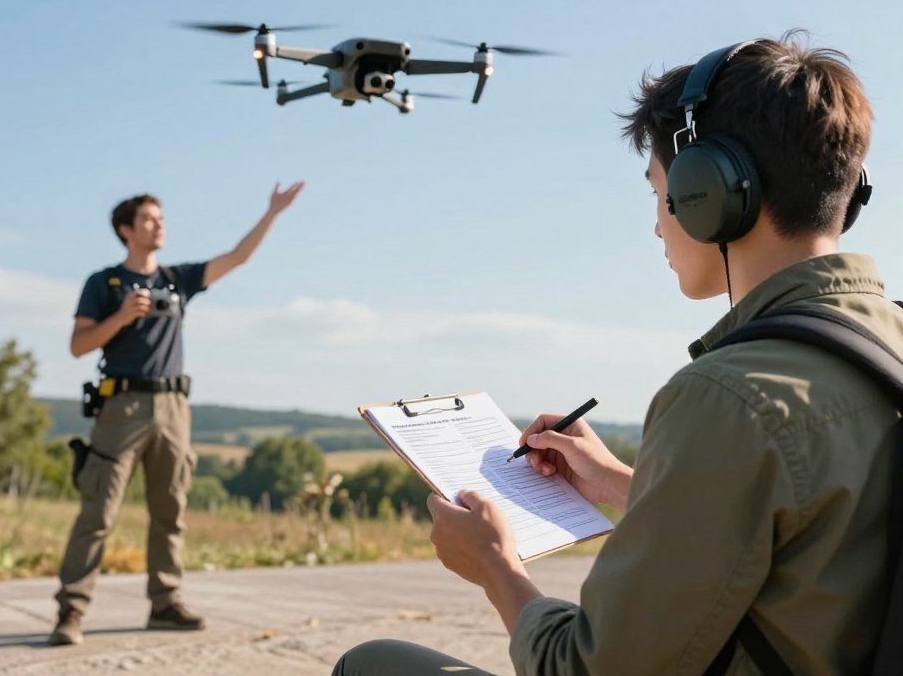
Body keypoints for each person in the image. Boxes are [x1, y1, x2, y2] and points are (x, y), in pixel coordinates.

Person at [332, 33, 903, 674]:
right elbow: (808, 530)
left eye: (661, 191)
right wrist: (621, 484)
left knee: (375, 662)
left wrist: (495, 567)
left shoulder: (731, 396)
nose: (659, 222)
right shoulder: (888, 344)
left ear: (711, 192)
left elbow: (591, 668)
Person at [49, 181, 304, 646]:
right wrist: (122, 317)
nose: (159, 224)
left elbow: (237, 256)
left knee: (171, 509)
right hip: (121, 406)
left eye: (160, 218)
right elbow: (78, 345)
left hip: (174, 408)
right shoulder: (104, 283)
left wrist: (272, 214)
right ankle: (71, 610)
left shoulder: (177, 279)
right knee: (98, 511)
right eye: (148, 219)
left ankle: (165, 603)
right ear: (126, 230)